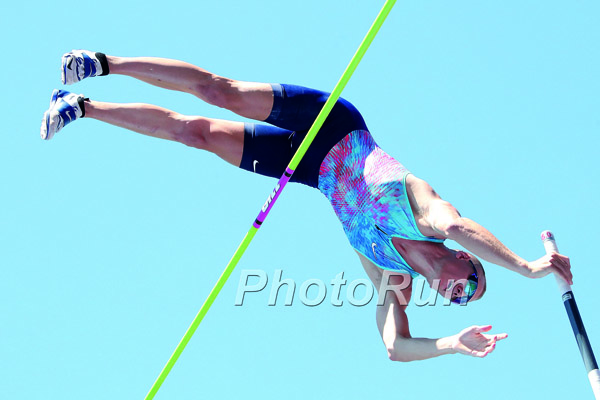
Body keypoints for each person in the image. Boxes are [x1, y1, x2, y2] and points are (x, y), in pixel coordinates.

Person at [41, 50, 573, 362]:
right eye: (471, 285)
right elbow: (459, 225)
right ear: (466, 262)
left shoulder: (395, 275)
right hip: (336, 125)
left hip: (311, 170)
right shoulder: (429, 214)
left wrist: (453, 344)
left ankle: (81, 107)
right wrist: (526, 267)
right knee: (219, 92)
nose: (458, 294)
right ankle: (101, 62)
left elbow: (395, 346)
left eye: (460, 301)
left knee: (197, 135)